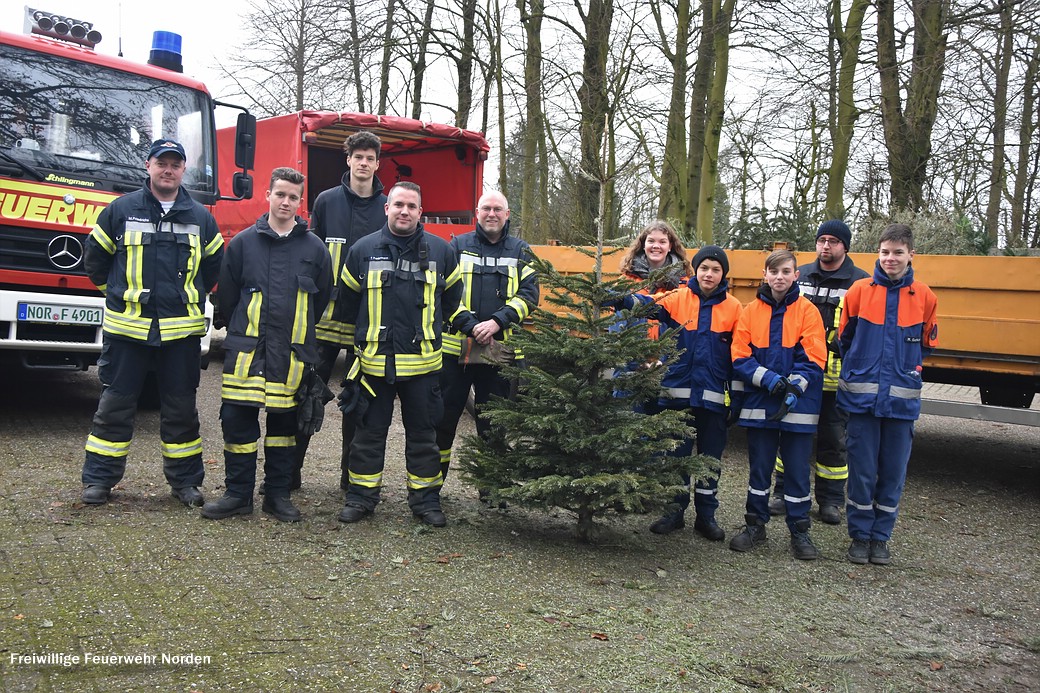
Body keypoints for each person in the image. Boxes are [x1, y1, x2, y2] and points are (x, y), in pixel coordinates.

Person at [80, 139, 223, 507]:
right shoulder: (120, 210)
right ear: (149, 165)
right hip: (127, 332)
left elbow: (213, 270)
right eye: (162, 163)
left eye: (176, 164)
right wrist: (118, 295)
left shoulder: (201, 218)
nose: (168, 169)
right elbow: (95, 263)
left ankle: (186, 484)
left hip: (180, 336)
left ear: (183, 170)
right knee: (114, 408)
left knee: (181, 413)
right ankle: (98, 481)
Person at [335, 182, 476, 527]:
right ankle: (361, 498)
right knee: (367, 436)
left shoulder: (442, 252)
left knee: (425, 438)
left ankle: (426, 502)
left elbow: (452, 304)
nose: (404, 211)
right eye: (398, 204)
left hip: (425, 369)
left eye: (412, 206)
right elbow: (348, 306)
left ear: (420, 212)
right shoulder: (362, 250)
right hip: (374, 365)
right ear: (387, 208)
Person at [201, 168, 333, 522]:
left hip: (291, 356)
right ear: (268, 195)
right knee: (237, 422)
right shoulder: (243, 243)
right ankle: (237, 495)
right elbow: (227, 298)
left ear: (300, 202)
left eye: (293, 197)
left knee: (284, 429)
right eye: (280, 194)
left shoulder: (315, 248)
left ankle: (277, 495)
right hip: (247, 354)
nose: (286, 202)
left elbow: (320, 301)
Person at [626, 244, 743, 541]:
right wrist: (622, 300)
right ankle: (673, 511)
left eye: (716, 270)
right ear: (696, 270)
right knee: (674, 457)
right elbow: (647, 302)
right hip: (677, 396)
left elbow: (739, 356)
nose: (709, 274)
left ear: (723, 275)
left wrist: (737, 399)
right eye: (704, 268)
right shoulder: (677, 299)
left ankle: (706, 516)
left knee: (709, 460)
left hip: (714, 399)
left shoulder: (734, 308)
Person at [292, 130, 387, 494]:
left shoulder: (387, 206)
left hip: (367, 319)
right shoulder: (326, 201)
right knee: (307, 393)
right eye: (357, 156)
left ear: (377, 164)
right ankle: (291, 473)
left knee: (358, 401)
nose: (363, 163)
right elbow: (312, 254)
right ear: (348, 160)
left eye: (370, 158)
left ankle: (351, 480)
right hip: (325, 318)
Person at [838, 224, 938, 565]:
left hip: (901, 402)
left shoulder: (925, 297)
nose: (891, 258)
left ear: (911, 255)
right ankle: (859, 536)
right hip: (862, 401)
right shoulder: (858, 292)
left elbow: (926, 346)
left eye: (898, 252)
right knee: (862, 472)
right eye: (885, 252)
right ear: (877, 254)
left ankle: (881, 538)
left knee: (893, 473)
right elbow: (844, 341)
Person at [434, 191, 539, 488]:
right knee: (442, 421)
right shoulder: (456, 246)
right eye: (486, 209)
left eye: (498, 209)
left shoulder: (521, 250)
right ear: (476, 213)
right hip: (455, 353)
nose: (491, 214)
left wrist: (496, 322)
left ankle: (492, 490)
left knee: (494, 425)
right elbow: (444, 291)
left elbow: (530, 295)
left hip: (499, 352)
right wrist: (470, 325)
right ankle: (431, 488)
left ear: (507, 215)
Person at [768, 220, 869, 524]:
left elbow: (860, 332)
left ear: (845, 246)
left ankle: (830, 500)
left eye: (833, 241)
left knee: (833, 440)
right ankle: (783, 493)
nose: (826, 245)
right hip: (798, 375)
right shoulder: (801, 276)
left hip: (835, 377)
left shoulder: (859, 282)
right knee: (790, 434)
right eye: (822, 240)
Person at [730, 249, 827, 560]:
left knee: (797, 472)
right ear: (765, 275)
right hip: (761, 402)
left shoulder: (808, 311)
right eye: (775, 272)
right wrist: (770, 380)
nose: (780, 277)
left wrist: (793, 386)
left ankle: (799, 531)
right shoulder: (749, 311)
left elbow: (814, 358)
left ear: (796, 275)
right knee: (760, 470)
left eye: (786, 271)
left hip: (798, 405)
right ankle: (755, 525)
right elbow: (739, 356)